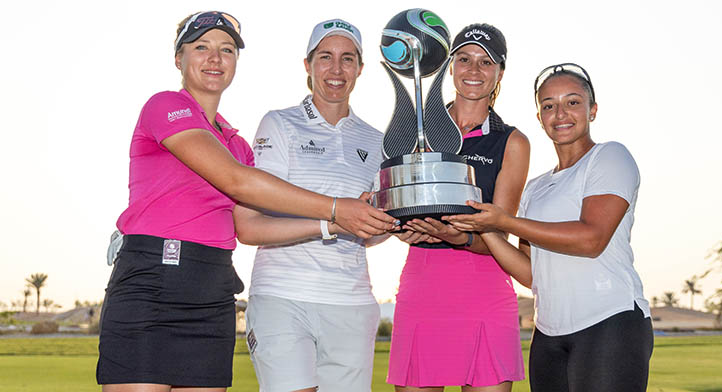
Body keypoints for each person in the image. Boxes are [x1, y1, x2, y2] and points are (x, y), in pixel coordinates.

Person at [96, 12, 396, 392]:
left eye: (226, 50)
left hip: (213, 287)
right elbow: (238, 182)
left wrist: (343, 222)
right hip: (152, 278)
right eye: (201, 47)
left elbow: (249, 225)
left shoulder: (237, 143)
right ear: (179, 58)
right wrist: (336, 209)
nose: (215, 58)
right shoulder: (165, 106)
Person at [445, 63, 653, 391]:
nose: (560, 113)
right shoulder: (536, 188)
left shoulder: (609, 157)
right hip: (549, 335)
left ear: (592, 110)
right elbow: (531, 274)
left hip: (609, 323)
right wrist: (479, 229)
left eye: (572, 102)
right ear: (540, 117)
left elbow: (591, 239)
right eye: (549, 106)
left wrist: (504, 220)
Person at [232, 19, 387, 392]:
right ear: (308, 64)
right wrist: (331, 219)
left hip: (351, 302)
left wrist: (387, 223)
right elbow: (250, 226)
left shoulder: (377, 139)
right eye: (325, 57)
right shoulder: (279, 124)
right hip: (282, 296)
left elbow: (367, 229)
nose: (336, 70)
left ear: (360, 69)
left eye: (347, 59)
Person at [387, 23, 530, 392]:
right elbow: (398, 202)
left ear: (500, 71)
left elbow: (498, 232)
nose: (474, 70)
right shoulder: (414, 129)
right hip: (423, 284)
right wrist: (400, 227)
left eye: (486, 62)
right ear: (449, 66)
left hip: (483, 286)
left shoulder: (511, 141)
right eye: (464, 59)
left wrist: (460, 237)